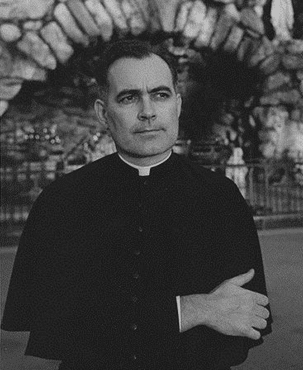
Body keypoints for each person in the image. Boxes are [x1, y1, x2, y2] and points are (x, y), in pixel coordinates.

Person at [2, 39, 271, 370]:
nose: (148, 112)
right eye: (129, 98)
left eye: (160, 94)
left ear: (178, 104)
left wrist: (119, 320)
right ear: (104, 112)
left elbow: (247, 318)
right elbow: (57, 326)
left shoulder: (222, 197)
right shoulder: (62, 202)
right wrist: (192, 310)